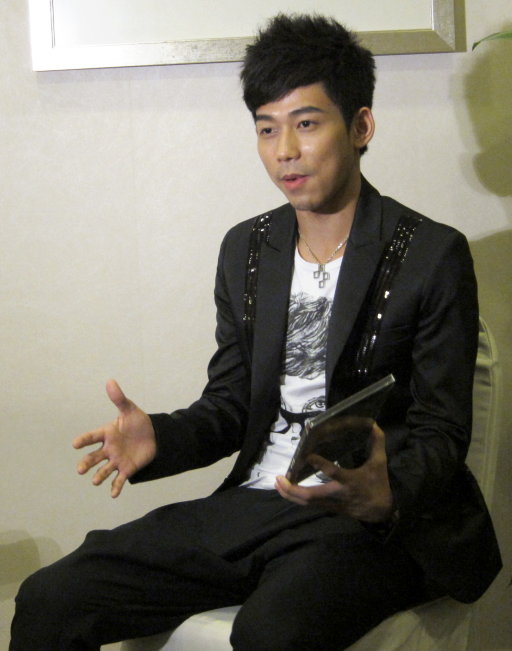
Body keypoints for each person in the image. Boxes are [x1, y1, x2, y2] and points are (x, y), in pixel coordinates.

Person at [10, 13, 501, 651]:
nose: (284, 150)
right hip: (256, 501)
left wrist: (387, 493)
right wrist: (162, 436)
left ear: (360, 126)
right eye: (267, 129)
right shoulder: (247, 249)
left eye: (306, 124)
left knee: (271, 632)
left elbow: (441, 431)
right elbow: (232, 405)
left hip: (366, 520)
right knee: (51, 597)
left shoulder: (431, 254)